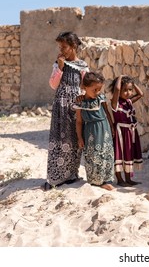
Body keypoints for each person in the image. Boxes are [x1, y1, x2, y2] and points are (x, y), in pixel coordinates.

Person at [43, 31, 89, 191]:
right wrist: (60, 68)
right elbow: (53, 85)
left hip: (75, 107)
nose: (61, 50)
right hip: (60, 107)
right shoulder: (58, 64)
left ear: (74, 46)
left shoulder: (82, 66)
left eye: (64, 47)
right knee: (59, 138)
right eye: (60, 47)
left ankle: (71, 175)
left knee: (74, 139)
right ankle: (56, 176)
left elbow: (85, 86)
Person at [73, 72, 115, 191]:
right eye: (94, 89)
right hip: (91, 132)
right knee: (93, 155)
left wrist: (111, 126)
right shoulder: (80, 102)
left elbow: (107, 112)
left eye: (99, 89)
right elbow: (79, 122)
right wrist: (80, 138)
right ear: (85, 87)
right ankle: (96, 181)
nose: (97, 92)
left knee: (106, 153)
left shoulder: (100, 98)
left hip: (104, 128)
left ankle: (106, 180)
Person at [109, 75, 143, 186]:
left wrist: (132, 83)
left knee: (129, 154)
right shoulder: (115, 103)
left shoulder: (129, 101)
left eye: (130, 90)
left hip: (130, 132)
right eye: (125, 90)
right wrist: (121, 77)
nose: (128, 92)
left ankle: (128, 179)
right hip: (120, 134)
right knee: (119, 155)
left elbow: (140, 94)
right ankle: (120, 180)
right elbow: (117, 89)